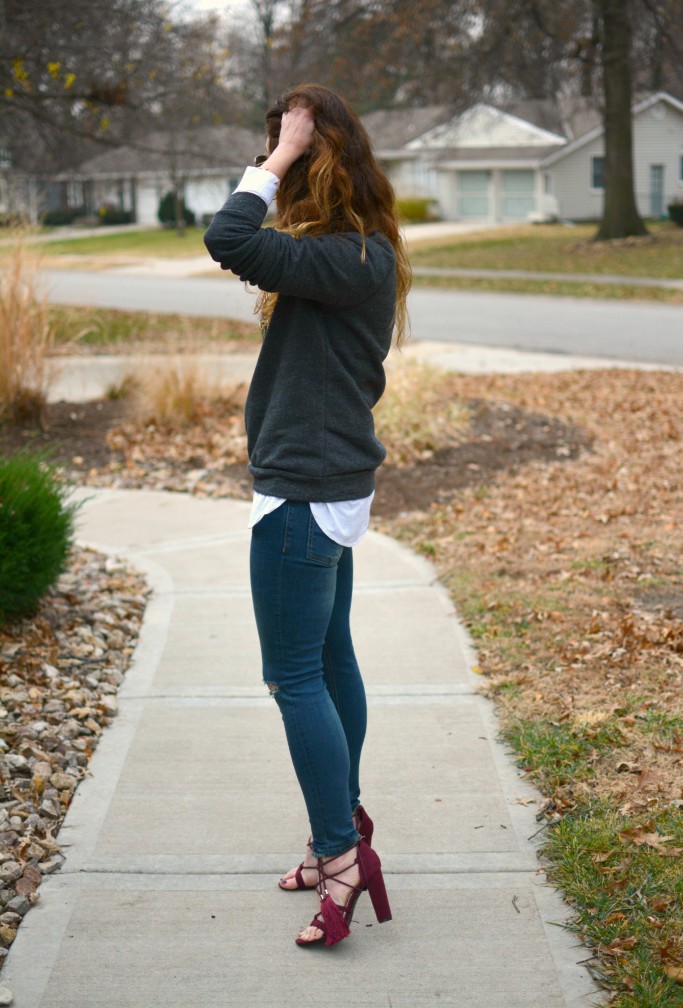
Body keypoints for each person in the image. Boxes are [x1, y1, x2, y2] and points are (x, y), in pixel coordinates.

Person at [203, 83, 410, 948]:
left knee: (293, 679)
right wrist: (287, 149)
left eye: (291, 157)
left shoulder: (341, 260)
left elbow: (227, 238)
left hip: (303, 494)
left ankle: (339, 857)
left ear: (316, 166)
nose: (280, 172)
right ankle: (345, 824)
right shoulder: (359, 254)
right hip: (329, 484)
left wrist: (275, 155)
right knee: (330, 664)